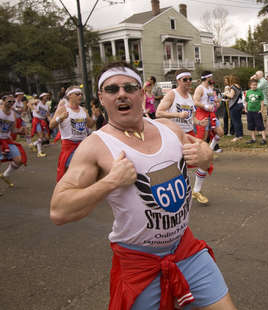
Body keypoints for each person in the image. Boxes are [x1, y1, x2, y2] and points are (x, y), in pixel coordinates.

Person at [50, 62, 237, 310]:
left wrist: (204, 156)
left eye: (129, 87)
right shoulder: (95, 146)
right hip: (140, 263)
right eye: (112, 89)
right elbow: (59, 211)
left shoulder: (169, 128)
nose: (121, 94)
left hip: (186, 249)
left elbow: (204, 153)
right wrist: (110, 181)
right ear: (101, 98)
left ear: (141, 93)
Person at [156, 69, 212, 204]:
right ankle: (172, 195)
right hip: (173, 134)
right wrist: (177, 115)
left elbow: (191, 117)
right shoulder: (172, 94)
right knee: (176, 167)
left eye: (189, 79)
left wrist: (199, 122)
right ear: (178, 81)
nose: (188, 82)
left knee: (205, 160)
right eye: (185, 79)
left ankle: (196, 191)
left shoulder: (190, 97)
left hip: (189, 134)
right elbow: (159, 113)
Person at [49, 86, 95, 181]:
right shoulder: (63, 109)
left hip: (83, 145)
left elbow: (90, 125)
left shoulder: (83, 110)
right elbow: (51, 125)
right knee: (69, 174)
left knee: (84, 172)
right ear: (70, 96)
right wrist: (60, 118)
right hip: (69, 146)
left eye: (81, 94)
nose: (80, 96)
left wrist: (93, 117)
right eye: (77, 94)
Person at [0, 94, 27, 188]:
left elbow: (13, 130)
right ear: (3, 101)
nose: (11, 103)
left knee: (18, 160)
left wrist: (20, 131)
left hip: (7, 140)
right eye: (9, 101)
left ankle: (6, 175)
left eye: (13, 102)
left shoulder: (13, 114)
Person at [193, 71, 224, 150]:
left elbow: (212, 100)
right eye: (211, 77)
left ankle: (211, 148)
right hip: (202, 114)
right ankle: (199, 152)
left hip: (211, 114)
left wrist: (216, 103)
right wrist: (205, 106)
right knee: (203, 137)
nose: (212, 79)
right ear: (207, 78)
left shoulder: (210, 88)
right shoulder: (200, 88)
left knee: (220, 132)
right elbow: (195, 102)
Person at [244, 79, 266, 145]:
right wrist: (245, 108)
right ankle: (253, 139)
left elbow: (262, 101)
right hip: (250, 111)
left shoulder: (259, 92)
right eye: (253, 85)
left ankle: (264, 139)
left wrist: (261, 109)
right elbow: (246, 101)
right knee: (251, 125)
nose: (254, 86)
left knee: (260, 125)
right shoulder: (248, 92)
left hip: (257, 111)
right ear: (250, 86)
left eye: (255, 85)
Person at [30, 92, 50, 157]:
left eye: (47, 96)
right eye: (45, 96)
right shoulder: (38, 102)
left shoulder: (47, 106)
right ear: (42, 97)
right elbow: (29, 104)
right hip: (37, 120)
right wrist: (35, 109)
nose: (46, 97)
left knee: (46, 137)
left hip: (43, 121)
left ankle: (34, 144)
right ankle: (39, 152)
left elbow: (47, 115)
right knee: (41, 137)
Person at [225, 75, 243, 142]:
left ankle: (237, 136)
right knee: (239, 121)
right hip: (239, 105)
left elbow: (231, 96)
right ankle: (240, 135)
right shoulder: (239, 86)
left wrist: (226, 93)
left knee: (235, 121)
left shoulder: (233, 87)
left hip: (233, 105)